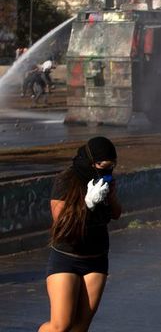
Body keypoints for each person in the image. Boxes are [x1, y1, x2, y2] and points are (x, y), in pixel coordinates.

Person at [39, 136, 122, 332]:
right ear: (91, 161)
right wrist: (87, 205)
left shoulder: (105, 181)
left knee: (80, 327)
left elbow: (117, 213)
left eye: (112, 166)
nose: (107, 170)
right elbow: (61, 224)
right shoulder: (66, 181)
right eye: (103, 165)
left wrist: (110, 197)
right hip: (66, 257)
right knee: (61, 325)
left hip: (96, 258)